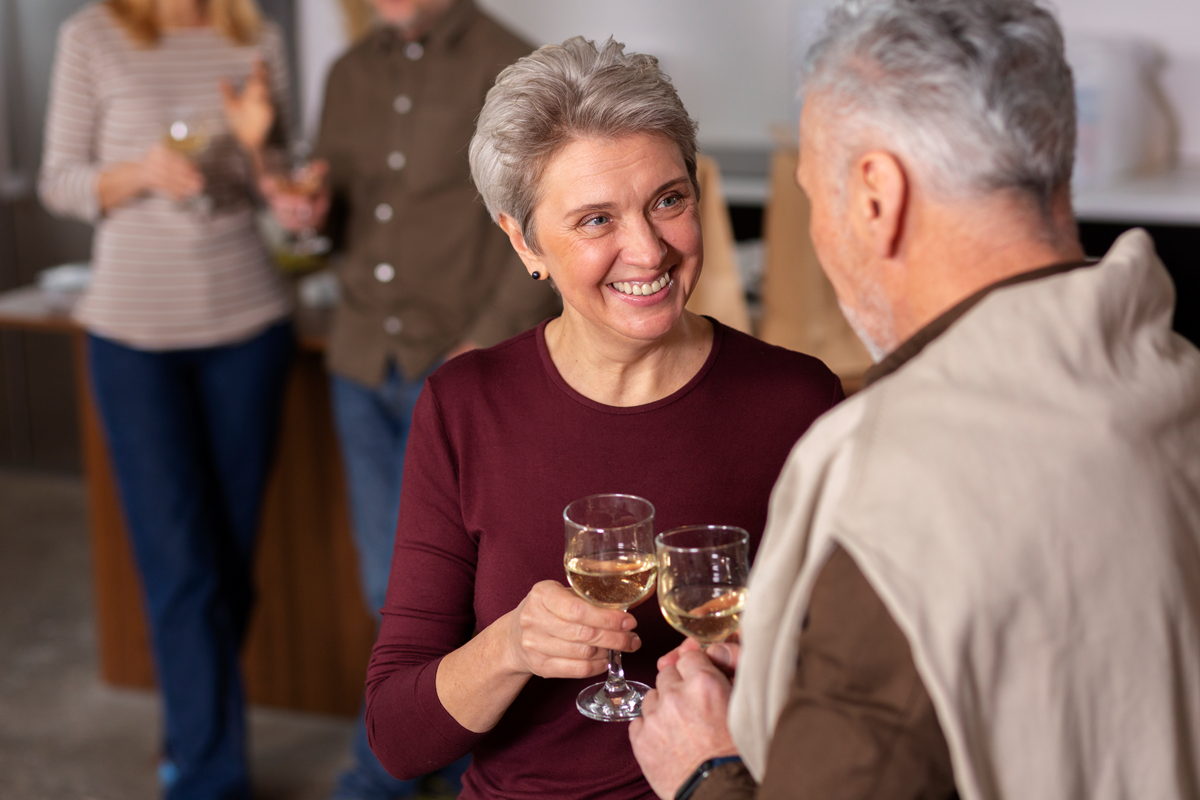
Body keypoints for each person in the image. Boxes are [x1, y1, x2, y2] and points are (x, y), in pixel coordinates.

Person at [628, 1, 1200, 799]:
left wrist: (706, 770)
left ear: (875, 196)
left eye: (813, 195)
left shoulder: (890, 476)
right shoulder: (1173, 379)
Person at [360, 36, 843, 800]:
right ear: (523, 241)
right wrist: (510, 646)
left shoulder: (797, 401)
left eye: (669, 200)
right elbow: (397, 736)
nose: (648, 251)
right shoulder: (464, 405)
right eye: (594, 221)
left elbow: (855, 687)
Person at [262, 1, 557, 797]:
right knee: (385, 588)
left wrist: (482, 345)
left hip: (463, 373)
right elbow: (327, 226)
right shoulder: (347, 72)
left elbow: (540, 220)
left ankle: (411, 770)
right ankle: (416, 754)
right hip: (363, 365)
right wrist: (304, 220)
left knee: (468, 592)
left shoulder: (518, 66)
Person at [38, 0, 295, 798]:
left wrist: (258, 153)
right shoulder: (91, 37)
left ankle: (190, 732)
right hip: (133, 338)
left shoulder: (258, 38)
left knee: (228, 561)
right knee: (180, 564)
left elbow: (280, 184)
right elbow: (58, 180)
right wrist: (139, 173)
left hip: (248, 326)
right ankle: (210, 776)